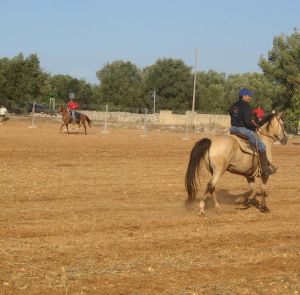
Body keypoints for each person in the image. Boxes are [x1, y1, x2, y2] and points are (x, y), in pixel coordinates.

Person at [229, 88, 275, 178]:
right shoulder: (246, 105)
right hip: (241, 129)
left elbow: (232, 115)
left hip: (233, 129)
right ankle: (265, 170)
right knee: (262, 146)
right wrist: (254, 128)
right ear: (244, 96)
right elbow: (247, 122)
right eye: (249, 95)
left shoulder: (233, 105)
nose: (250, 97)